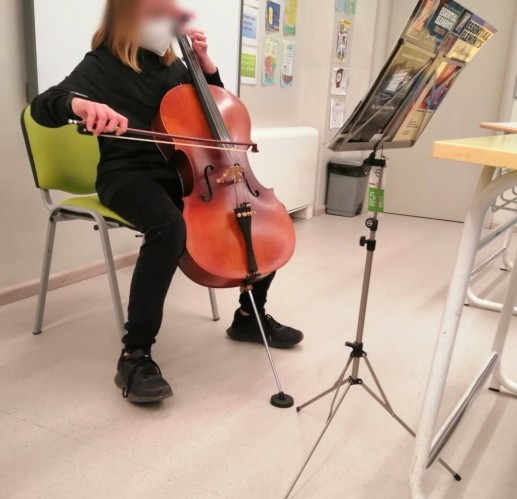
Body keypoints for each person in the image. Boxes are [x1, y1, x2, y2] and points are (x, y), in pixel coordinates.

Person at [31, 0, 303, 404]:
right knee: (168, 226)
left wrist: (206, 66)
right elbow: (43, 106)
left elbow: (217, 110)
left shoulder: (178, 68)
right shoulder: (102, 64)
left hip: (186, 172)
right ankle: (135, 354)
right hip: (129, 174)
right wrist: (78, 104)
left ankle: (249, 316)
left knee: (257, 216)